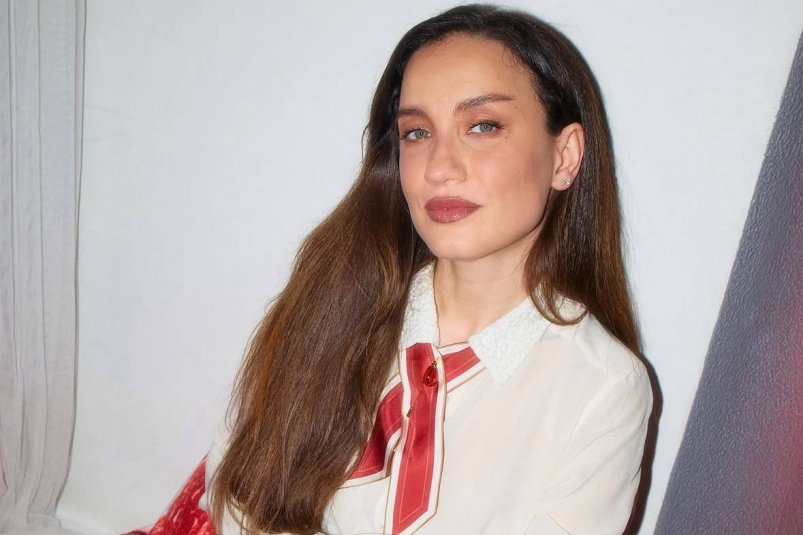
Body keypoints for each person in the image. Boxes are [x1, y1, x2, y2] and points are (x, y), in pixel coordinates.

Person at [137, 4, 654, 535]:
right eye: (416, 132)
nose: (440, 167)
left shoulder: (602, 389)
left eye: (482, 126)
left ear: (564, 156)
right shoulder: (329, 304)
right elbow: (236, 492)